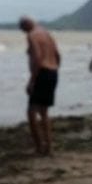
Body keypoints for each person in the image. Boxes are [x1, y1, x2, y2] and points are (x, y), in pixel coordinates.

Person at [19, 16, 61, 154]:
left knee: (31, 112)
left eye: (23, 29)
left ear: (26, 26)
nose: (24, 33)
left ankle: (38, 147)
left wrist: (32, 80)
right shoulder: (46, 33)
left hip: (42, 73)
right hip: (52, 72)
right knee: (44, 112)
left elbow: (37, 57)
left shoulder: (32, 35)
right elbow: (57, 55)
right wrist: (54, 69)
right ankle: (49, 146)